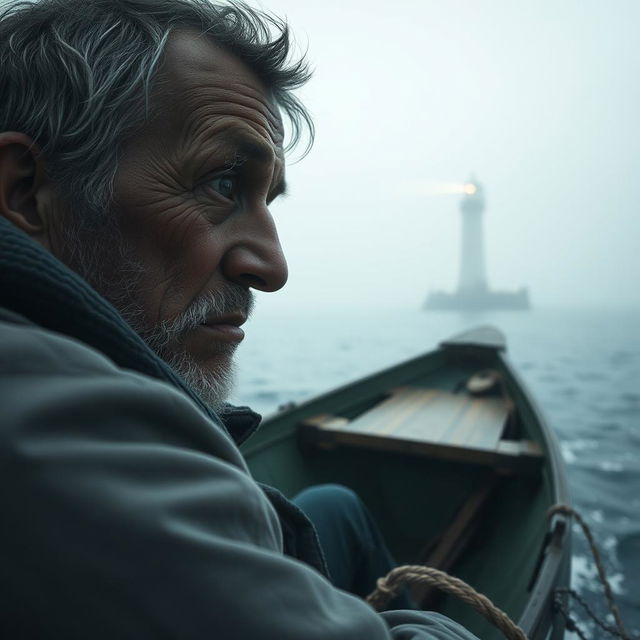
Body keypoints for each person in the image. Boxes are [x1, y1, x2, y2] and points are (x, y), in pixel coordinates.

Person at [0, 1, 479, 638]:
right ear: (27, 190)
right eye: (223, 184)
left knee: (332, 503)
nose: (272, 266)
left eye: (267, 198)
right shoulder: (51, 431)